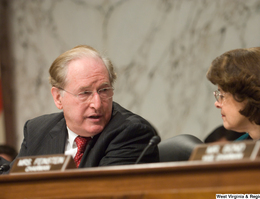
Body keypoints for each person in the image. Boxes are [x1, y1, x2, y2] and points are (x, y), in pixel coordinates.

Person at [3, 45, 159, 174]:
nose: (97, 104)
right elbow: (13, 183)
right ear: (58, 97)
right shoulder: (38, 130)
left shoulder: (132, 133)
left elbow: (98, 193)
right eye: (85, 93)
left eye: (104, 90)